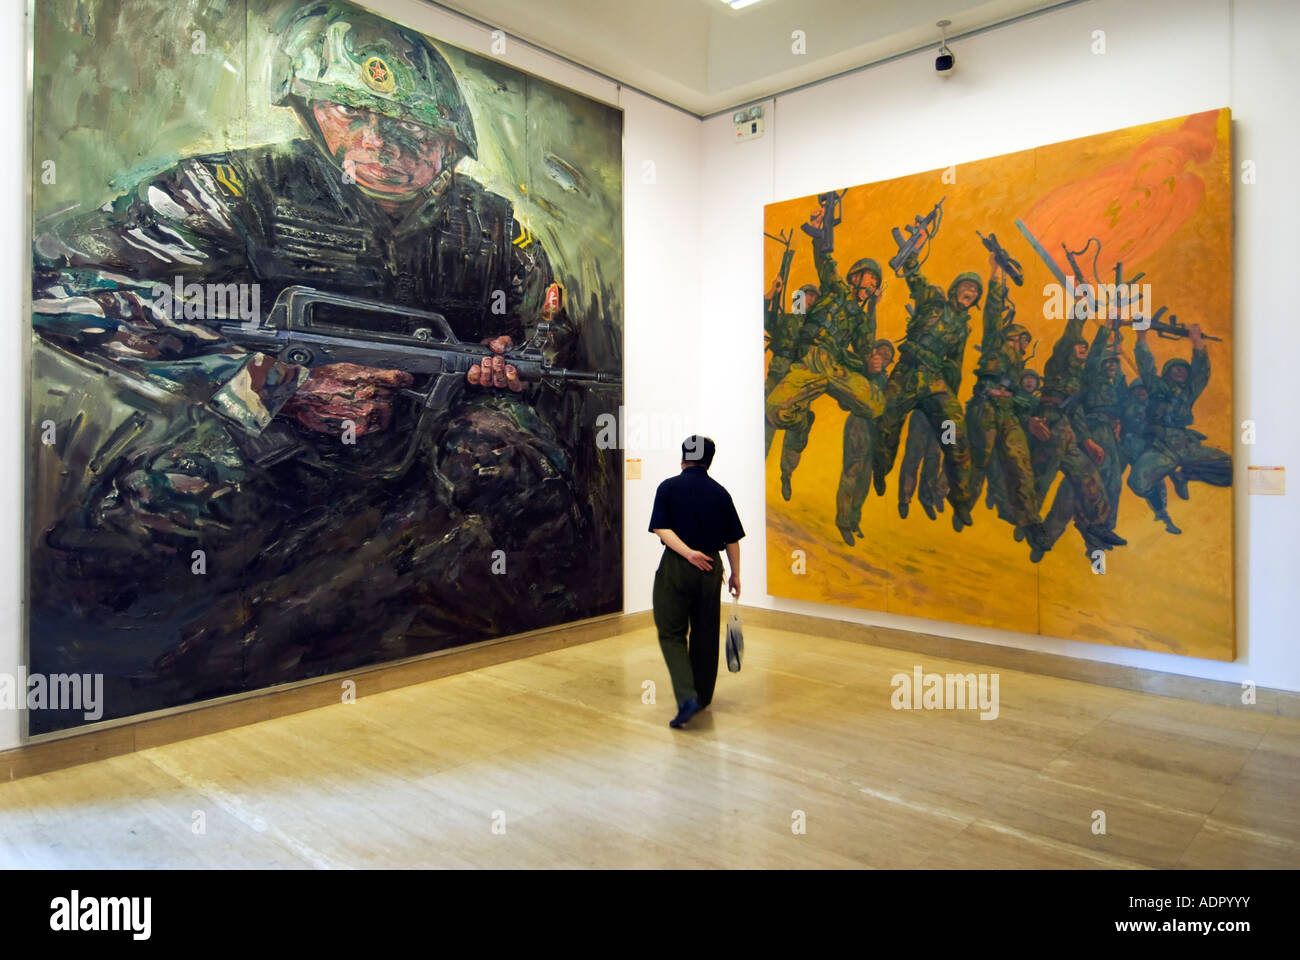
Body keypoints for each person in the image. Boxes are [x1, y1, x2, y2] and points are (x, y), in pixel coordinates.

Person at [29, 1, 612, 708]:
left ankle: (550, 658)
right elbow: (54, 286)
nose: (378, 143)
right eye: (346, 111)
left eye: (408, 126)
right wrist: (254, 381)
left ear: (452, 140)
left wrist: (507, 364)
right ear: (307, 111)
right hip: (266, 430)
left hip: (427, 431)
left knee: (521, 467)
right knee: (119, 546)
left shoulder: (490, 230)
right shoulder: (233, 195)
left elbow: (545, 335)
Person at [872, 239, 980, 530]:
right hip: (907, 371)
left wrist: (949, 404)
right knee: (886, 424)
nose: (969, 292)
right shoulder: (933, 299)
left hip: (935, 382)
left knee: (955, 436)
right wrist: (911, 255)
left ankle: (960, 499)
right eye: (966, 286)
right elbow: (916, 279)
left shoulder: (963, 327)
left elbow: (955, 363)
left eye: (975, 291)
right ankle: (880, 470)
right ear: (956, 288)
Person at [649, 436, 745, 729]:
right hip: (711, 569)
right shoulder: (720, 493)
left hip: (678, 565)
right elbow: (732, 540)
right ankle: (703, 696)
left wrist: (688, 553)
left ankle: (686, 696)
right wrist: (735, 574)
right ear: (709, 461)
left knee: (671, 634)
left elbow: (661, 529)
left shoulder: (667, 488)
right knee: (705, 633)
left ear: (683, 458)